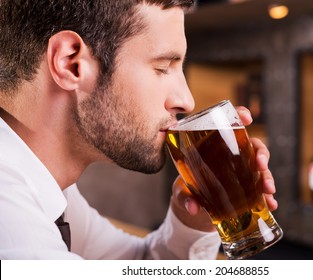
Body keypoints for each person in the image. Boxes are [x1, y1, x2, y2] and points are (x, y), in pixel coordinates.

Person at [0, 0, 278, 259]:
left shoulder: (51, 191)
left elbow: (138, 262)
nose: (186, 100)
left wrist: (192, 220)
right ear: (71, 64)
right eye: (162, 67)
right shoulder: (10, 217)